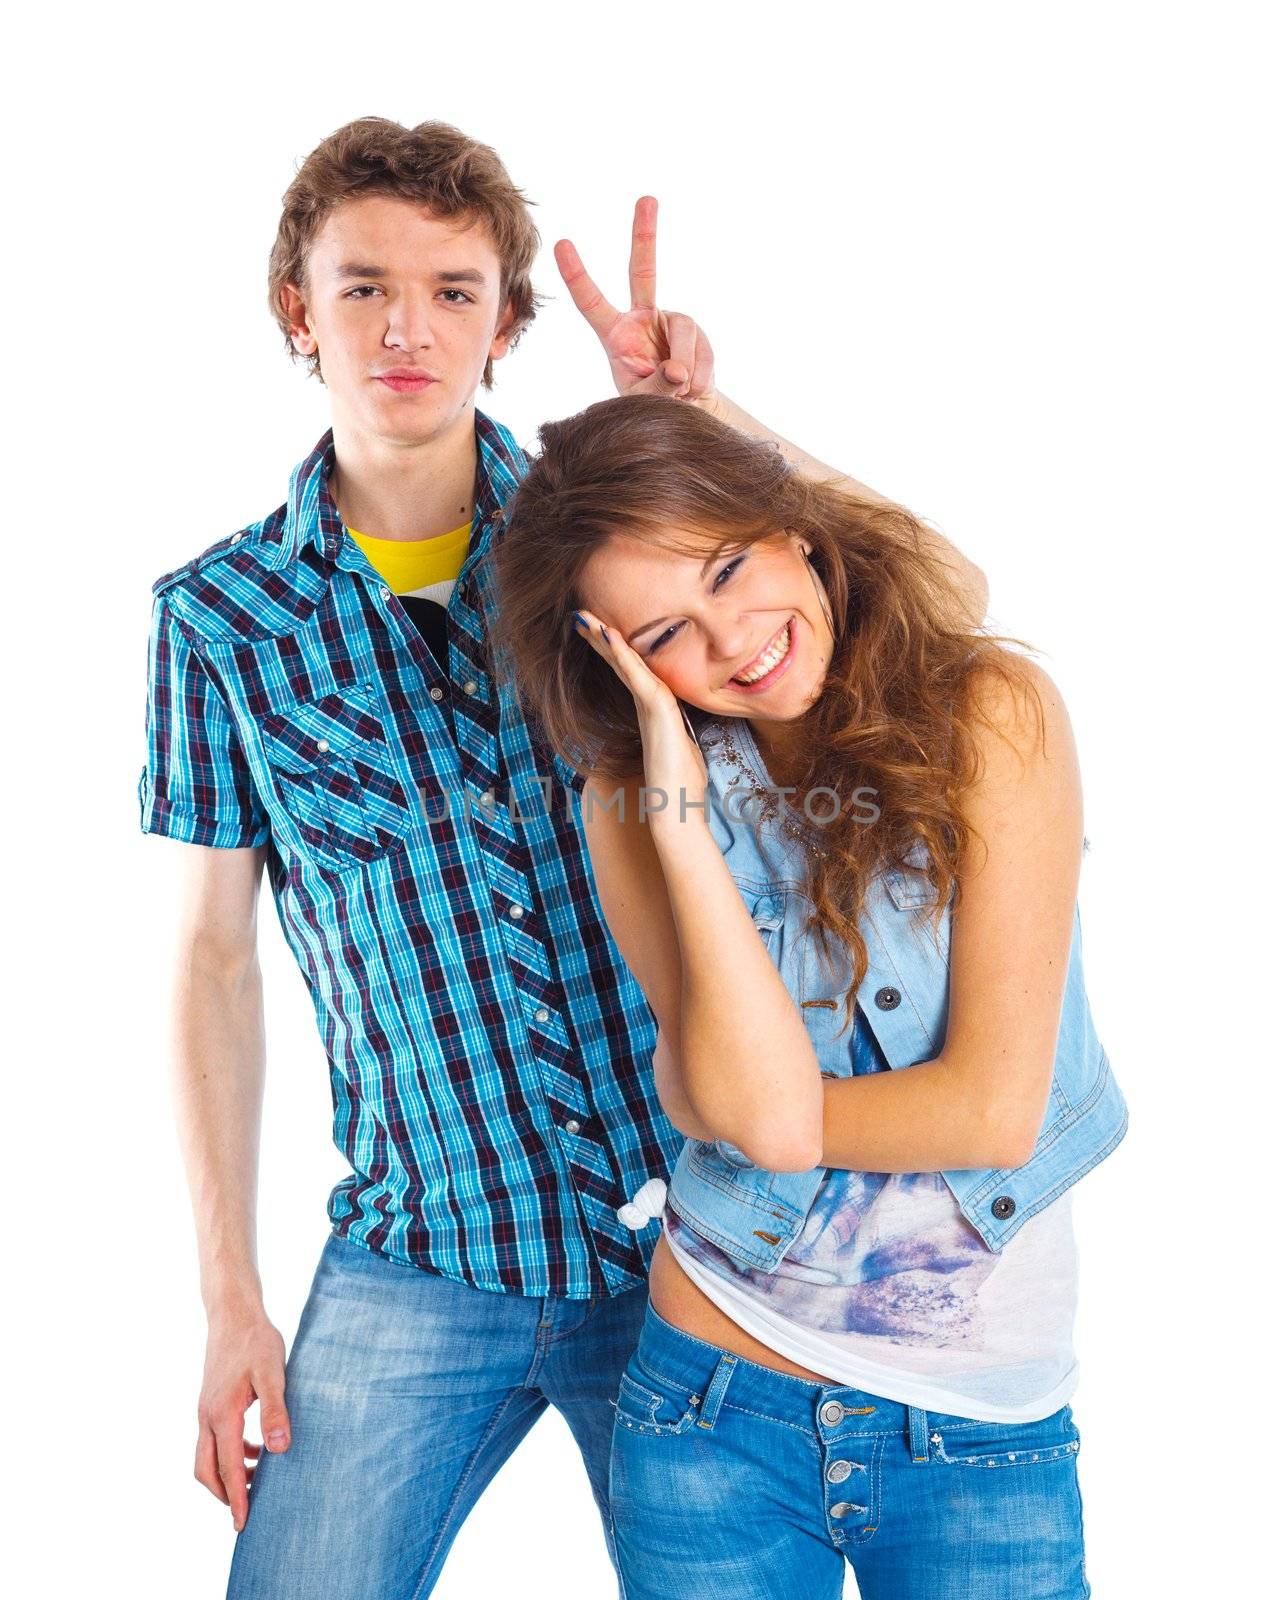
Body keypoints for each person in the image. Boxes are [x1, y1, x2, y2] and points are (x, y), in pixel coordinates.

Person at [137, 117, 987, 1598]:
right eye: (361, 287)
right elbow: (212, 962)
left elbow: (901, 611)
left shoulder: (606, 555)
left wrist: (718, 426)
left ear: (507, 325)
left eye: (455, 290)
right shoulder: (219, 623)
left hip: (690, 1246)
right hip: (420, 1247)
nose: (408, 327)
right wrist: (230, 1302)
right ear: (297, 312)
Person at [489, 393, 1128, 1598]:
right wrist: (680, 814)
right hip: (708, 1407)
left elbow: (985, 1112)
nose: (732, 640)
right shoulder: (632, 803)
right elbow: (733, 1101)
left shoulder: (990, 716)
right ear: (618, 665)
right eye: (666, 632)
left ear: (792, 525)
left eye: (730, 566)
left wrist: (742, 1109)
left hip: (975, 1430)